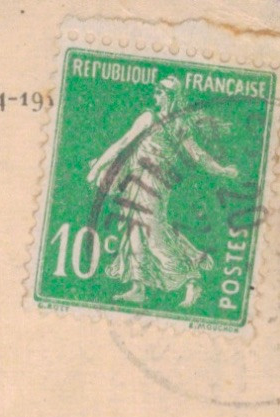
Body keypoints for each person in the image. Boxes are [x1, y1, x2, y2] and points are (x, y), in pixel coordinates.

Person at [85, 76, 239, 307]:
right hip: (136, 182)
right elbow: (123, 144)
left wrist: (223, 170)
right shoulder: (149, 117)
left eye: (159, 92)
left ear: (170, 96)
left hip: (154, 185)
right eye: (155, 91)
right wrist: (98, 167)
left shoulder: (178, 125)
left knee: (155, 236)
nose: (155, 96)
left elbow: (198, 155)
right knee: (133, 232)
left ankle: (192, 279)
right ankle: (138, 287)